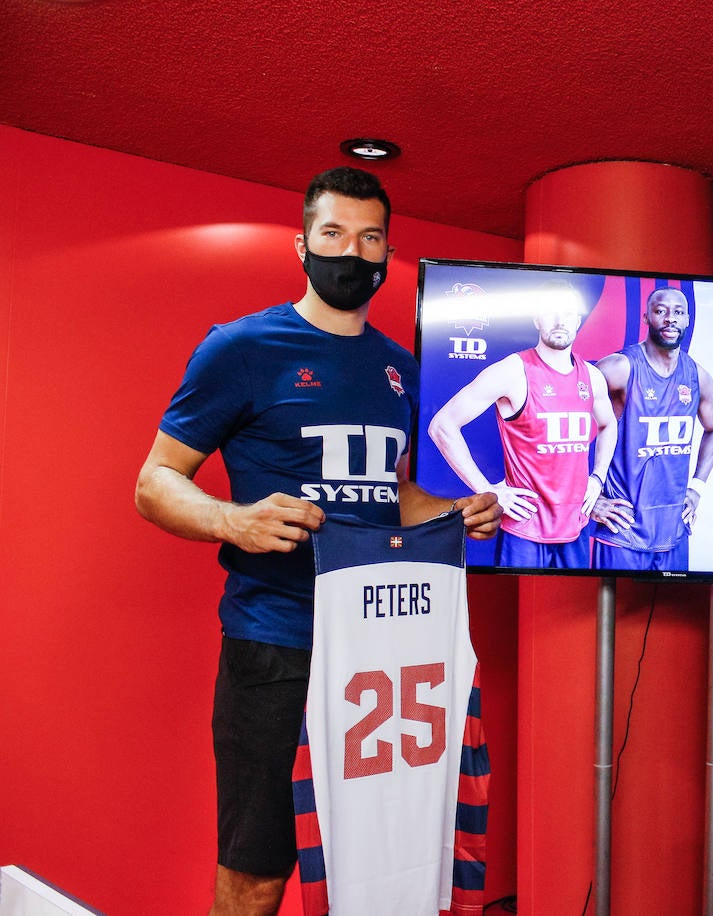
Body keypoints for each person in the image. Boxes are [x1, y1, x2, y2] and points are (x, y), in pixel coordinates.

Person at [133, 167, 500, 916]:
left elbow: (395, 494)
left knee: (377, 859)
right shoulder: (241, 348)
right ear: (302, 245)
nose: (351, 252)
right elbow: (155, 482)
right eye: (333, 234)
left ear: (387, 254)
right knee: (259, 864)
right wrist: (231, 518)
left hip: (384, 652)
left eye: (369, 237)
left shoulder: (403, 369)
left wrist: (454, 512)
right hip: (277, 641)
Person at [428, 279, 617, 568]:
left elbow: (608, 425)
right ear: (537, 319)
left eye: (568, 313)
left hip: (575, 528)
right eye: (550, 312)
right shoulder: (513, 371)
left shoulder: (591, 377)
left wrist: (598, 477)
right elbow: (442, 425)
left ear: (578, 320)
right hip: (525, 532)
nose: (559, 320)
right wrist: (487, 489)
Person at [589, 286, 713, 571]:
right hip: (622, 533)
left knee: (673, 613)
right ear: (646, 317)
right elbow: (565, 432)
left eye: (678, 312)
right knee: (610, 613)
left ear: (687, 319)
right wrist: (589, 497)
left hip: (673, 532)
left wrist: (697, 487)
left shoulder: (698, 376)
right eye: (661, 311)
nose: (670, 319)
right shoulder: (619, 368)